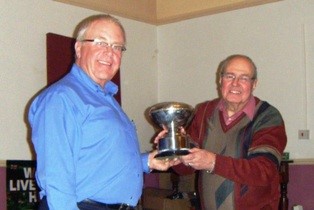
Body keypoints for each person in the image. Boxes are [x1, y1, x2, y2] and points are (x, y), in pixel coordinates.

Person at [28, 14, 174, 210]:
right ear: (78, 48)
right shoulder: (62, 98)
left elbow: (100, 161)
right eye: (101, 43)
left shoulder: (107, 99)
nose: (110, 52)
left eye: (117, 47)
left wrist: (147, 161)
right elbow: (56, 177)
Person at [156, 54, 287, 210]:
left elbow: (264, 171)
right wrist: (177, 150)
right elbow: (186, 168)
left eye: (244, 78)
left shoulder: (267, 117)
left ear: (254, 84)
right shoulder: (204, 111)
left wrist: (213, 162)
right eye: (230, 76)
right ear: (220, 80)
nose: (235, 84)